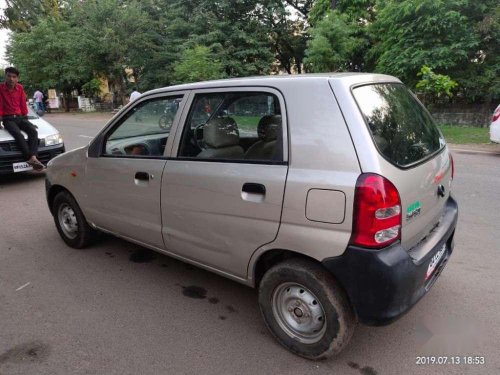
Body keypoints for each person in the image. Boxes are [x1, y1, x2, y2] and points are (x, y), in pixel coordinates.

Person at [0, 67, 45, 171]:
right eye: (9, 76)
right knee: (18, 134)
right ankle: (30, 158)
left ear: (17, 78)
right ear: (5, 76)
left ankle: (32, 157)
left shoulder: (20, 88)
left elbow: (22, 104)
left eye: (14, 77)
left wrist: (27, 120)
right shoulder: (1, 88)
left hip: (20, 117)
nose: (11, 79)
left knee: (33, 131)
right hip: (8, 119)